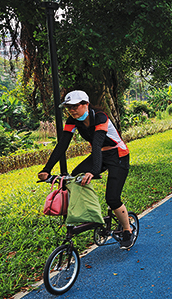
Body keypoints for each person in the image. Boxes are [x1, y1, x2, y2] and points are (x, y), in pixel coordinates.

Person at [37, 90, 134, 249]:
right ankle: (90, 210)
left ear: (86, 104)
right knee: (75, 176)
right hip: (99, 154)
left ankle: (127, 230)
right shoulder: (72, 120)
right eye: (69, 107)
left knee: (112, 198)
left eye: (75, 106)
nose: (72, 110)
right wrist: (46, 169)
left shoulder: (100, 116)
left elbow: (97, 143)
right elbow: (62, 144)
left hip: (118, 154)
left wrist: (94, 171)